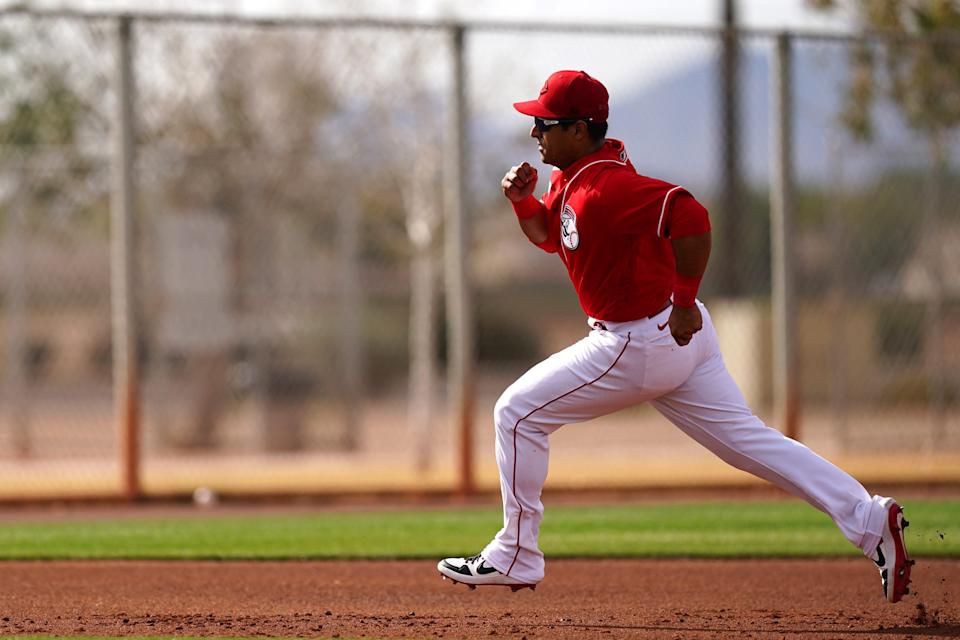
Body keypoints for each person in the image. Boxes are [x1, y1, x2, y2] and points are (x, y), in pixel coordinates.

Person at [436, 69, 914, 603]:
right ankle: (871, 520)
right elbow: (552, 235)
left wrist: (685, 299)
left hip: (637, 341)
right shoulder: (577, 176)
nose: (535, 133)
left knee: (515, 413)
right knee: (752, 444)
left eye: (544, 123)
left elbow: (691, 215)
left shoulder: (606, 187)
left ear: (578, 130)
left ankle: (515, 555)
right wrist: (524, 203)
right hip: (677, 339)